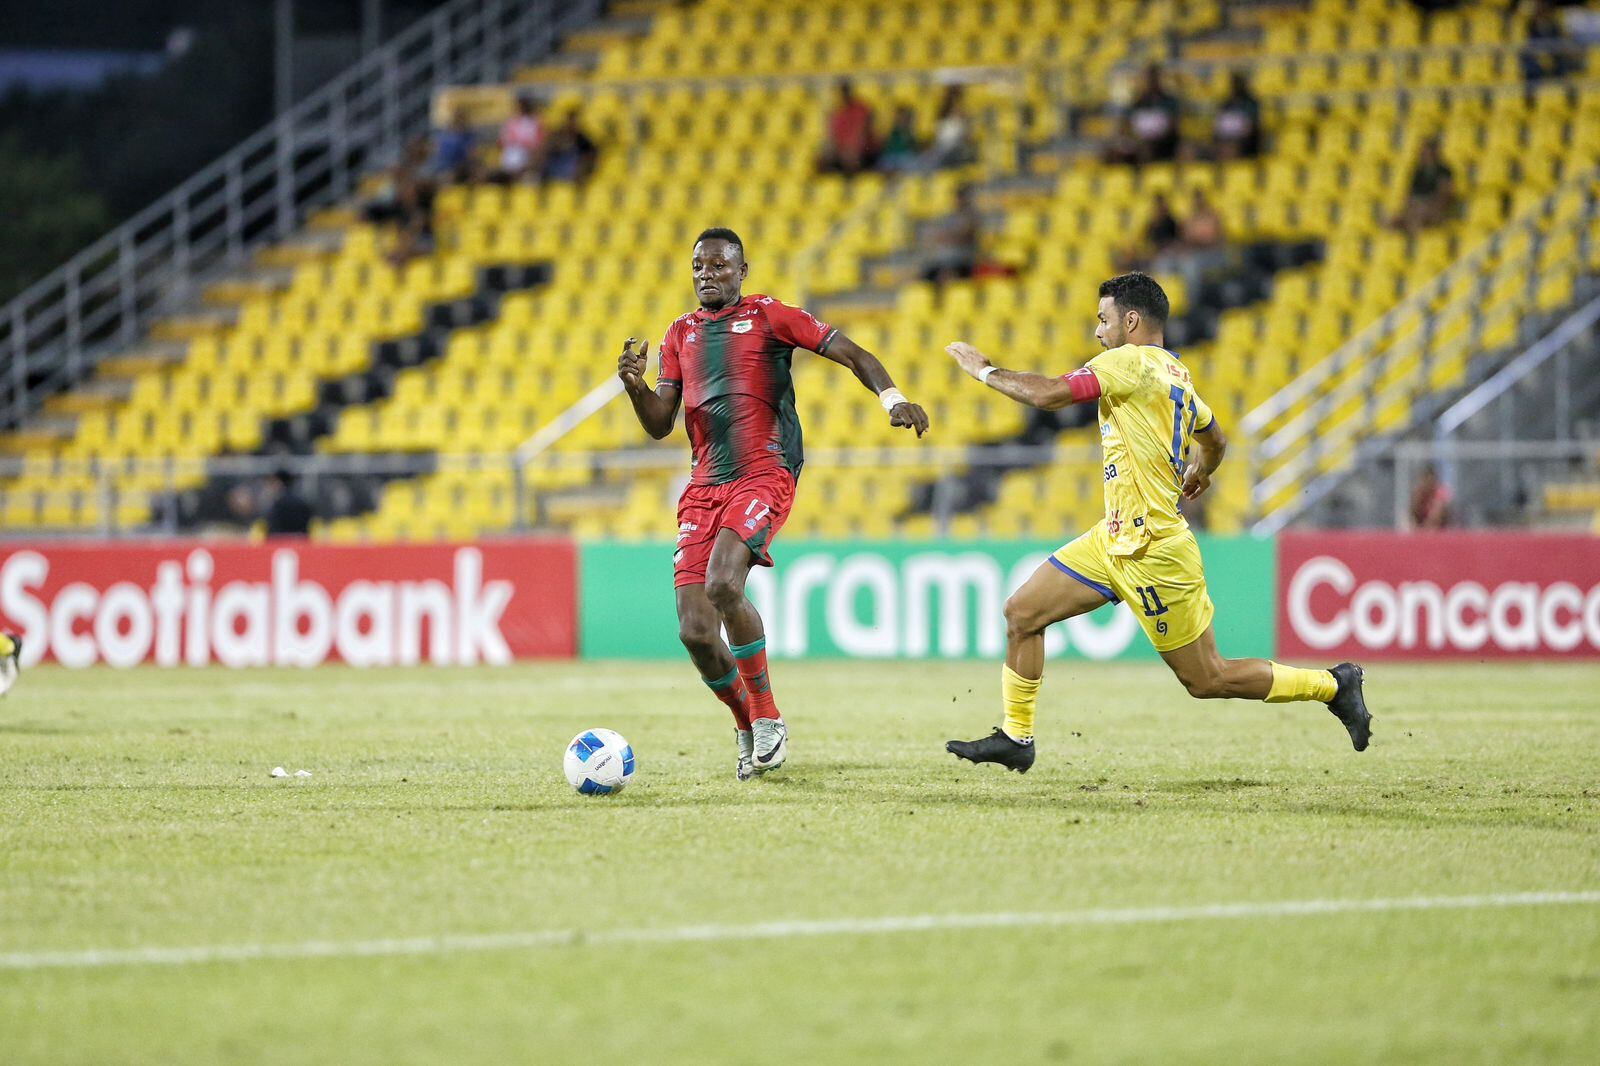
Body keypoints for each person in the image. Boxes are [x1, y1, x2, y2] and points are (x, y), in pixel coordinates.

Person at [941, 272, 1373, 773]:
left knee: (1208, 679)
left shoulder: (1129, 361)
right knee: (1022, 614)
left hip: (1154, 550)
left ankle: (1335, 684)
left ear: (1130, 320)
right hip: (1114, 538)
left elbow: (1051, 395)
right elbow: (1215, 439)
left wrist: (984, 371)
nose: (1098, 332)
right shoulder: (1177, 375)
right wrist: (1202, 471)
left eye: (1104, 321)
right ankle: (1017, 737)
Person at [617, 228, 929, 780]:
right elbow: (660, 423)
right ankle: (745, 724)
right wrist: (635, 387)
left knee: (722, 584)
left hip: (765, 471)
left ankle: (768, 717)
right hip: (703, 485)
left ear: (742, 270)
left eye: (718, 265)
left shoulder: (770, 316)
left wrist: (892, 398)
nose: (706, 274)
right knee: (693, 631)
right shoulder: (679, 333)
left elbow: (851, 352)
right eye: (698, 266)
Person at [1392, 136, 1456, 234]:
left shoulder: (1444, 171)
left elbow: (1445, 194)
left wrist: (1428, 206)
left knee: (1420, 215)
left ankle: (1418, 237)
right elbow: (1410, 194)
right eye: (1422, 152)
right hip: (1418, 207)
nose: (1423, 155)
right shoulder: (1418, 172)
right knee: (1393, 220)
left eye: (1426, 152)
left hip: (1434, 207)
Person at [921, 184, 983, 283]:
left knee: (950, 274)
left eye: (960, 198)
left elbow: (964, 234)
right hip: (945, 260)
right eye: (956, 198)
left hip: (964, 260)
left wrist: (947, 236)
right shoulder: (949, 217)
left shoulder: (971, 216)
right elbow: (936, 236)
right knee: (926, 275)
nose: (957, 201)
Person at [820, 80, 878, 175]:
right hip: (843, 149)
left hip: (862, 149)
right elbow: (832, 135)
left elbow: (863, 133)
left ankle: (857, 180)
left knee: (851, 154)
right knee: (825, 154)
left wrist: (851, 146)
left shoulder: (861, 109)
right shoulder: (837, 112)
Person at [1211, 71, 1261, 160]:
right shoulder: (1226, 103)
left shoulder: (1250, 103)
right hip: (1225, 138)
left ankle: (1232, 169)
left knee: (1230, 148)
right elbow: (1219, 124)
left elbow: (1251, 127)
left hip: (1245, 141)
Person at [926, 84, 977, 168]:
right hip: (943, 149)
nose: (957, 111)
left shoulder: (963, 120)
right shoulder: (943, 119)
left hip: (955, 150)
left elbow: (967, 136)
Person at [497, 95, 545, 181]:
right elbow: (501, 142)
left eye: (525, 105)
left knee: (531, 179)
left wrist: (531, 163)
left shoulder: (536, 122)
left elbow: (540, 145)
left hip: (529, 158)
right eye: (522, 105)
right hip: (511, 155)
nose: (523, 107)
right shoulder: (511, 122)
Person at [541, 110, 597, 183]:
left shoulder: (584, 141)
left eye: (575, 122)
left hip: (573, 176)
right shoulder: (556, 137)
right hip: (553, 175)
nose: (572, 124)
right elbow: (545, 152)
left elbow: (589, 158)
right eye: (570, 121)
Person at [263, 468, 314, 537]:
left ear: (279, 482)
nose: (269, 487)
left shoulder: (278, 505)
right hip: (301, 542)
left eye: (271, 483)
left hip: (282, 543)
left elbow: (273, 531)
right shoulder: (302, 501)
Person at [1409, 463, 1454, 529]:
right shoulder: (1419, 492)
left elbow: (1436, 515)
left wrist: (1426, 528)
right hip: (1421, 525)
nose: (1428, 483)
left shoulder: (1440, 492)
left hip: (1439, 527)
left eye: (1430, 480)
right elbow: (1413, 511)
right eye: (1425, 480)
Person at [878, 104, 922, 172]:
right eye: (900, 118)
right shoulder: (891, 132)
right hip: (890, 158)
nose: (902, 120)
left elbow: (915, 149)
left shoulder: (910, 133)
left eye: (905, 118)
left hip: (905, 159)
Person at [0, 632, 21, 698]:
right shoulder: (10, 643)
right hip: (6, 655)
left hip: (7, 655)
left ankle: (3, 690)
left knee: (12, 674)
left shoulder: (9, 645)